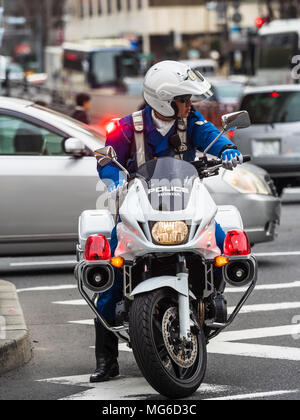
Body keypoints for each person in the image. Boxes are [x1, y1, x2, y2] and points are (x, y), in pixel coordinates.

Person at [90, 61, 243, 383]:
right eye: (184, 99)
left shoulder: (192, 121)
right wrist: (114, 179)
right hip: (140, 205)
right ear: (164, 99)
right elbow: (106, 158)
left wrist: (228, 149)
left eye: (188, 100)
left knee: (218, 240)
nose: (189, 105)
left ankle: (212, 295)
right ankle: (106, 359)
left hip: (182, 203)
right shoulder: (127, 126)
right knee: (110, 267)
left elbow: (212, 138)